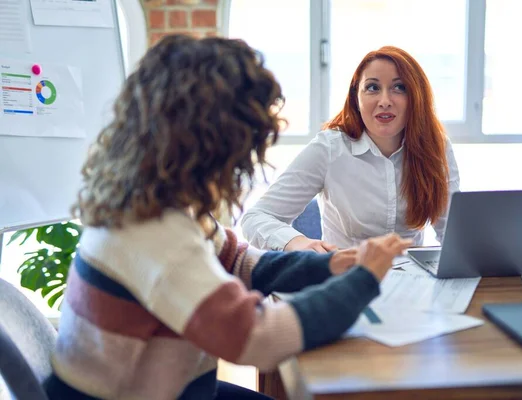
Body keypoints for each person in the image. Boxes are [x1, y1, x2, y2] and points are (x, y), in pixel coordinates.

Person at [43, 35, 412, 400]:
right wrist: (363, 280)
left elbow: (239, 262)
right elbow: (258, 339)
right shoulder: (154, 235)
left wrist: (332, 265)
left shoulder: (153, 200)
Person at [241, 46, 460, 253]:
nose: (385, 101)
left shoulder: (436, 146)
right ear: (357, 97)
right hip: (346, 279)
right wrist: (298, 242)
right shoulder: (329, 148)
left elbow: (454, 235)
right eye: (373, 87)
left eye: (399, 88)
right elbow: (256, 217)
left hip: (413, 282)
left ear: (416, 98)